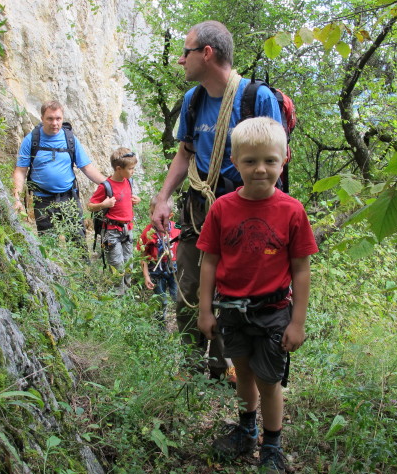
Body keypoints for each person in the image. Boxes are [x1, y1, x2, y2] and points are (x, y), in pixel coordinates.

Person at [150, 20, 283, 380]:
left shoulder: (256, 98)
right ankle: (191, 370)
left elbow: (275, 159)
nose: (180, 60)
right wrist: (163, 198)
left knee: (233, 291)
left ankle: (225, 368)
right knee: (190, 289)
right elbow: (185, 152)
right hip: (198, 209)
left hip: (244, 212)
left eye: (186, 51)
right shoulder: (193, 100)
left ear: (206, 54)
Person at [196, 117, 318, 474]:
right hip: (232, 310)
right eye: (250, 161)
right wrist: (205, 310)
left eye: (269, 160)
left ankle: (272, 444)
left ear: (285, 159)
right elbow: (209, 262)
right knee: (243, 374)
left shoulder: (292, 210)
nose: (260, 169)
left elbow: (301, 269)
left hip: (273, 312)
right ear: (234, 160)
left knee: (270, 382)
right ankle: (247, 429)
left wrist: (297, 323)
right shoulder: (222, 208)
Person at [13, 100, 105, 244]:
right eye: (50, 118)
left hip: (69, 197)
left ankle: (80, 266)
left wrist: (110, 184)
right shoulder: (31, 140)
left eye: (58, 119)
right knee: (49, 244)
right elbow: (20, 171)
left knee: (78, 242)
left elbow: (87, 168)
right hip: (42, 200)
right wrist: (16, 198)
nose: (54, 123)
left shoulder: (70, 139)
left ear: (62, 118)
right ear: (42, 118)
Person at [87, 148, 140, 292]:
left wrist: (135, 200)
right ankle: (118, 297)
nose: (133, 171)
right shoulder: (105, 186)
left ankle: (127, 296)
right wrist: (103, 205)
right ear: (118, 169)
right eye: (131, 168)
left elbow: (125, 199)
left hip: (127, 230)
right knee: (117, 265)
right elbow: (90, 206)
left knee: (129, 264)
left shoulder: (128, 181)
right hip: (111, 232)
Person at [137, 198, 181, 327]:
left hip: (173, 269)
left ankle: (182, 323)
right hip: (155, 271)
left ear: (170, 215)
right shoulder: (148, 231)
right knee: (161, 300)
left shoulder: (177, 228)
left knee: (177, 297)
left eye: (158, 215)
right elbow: (143, 255)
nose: (153, 217)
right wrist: (146, 276)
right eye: (151, 213)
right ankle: (160, 327)